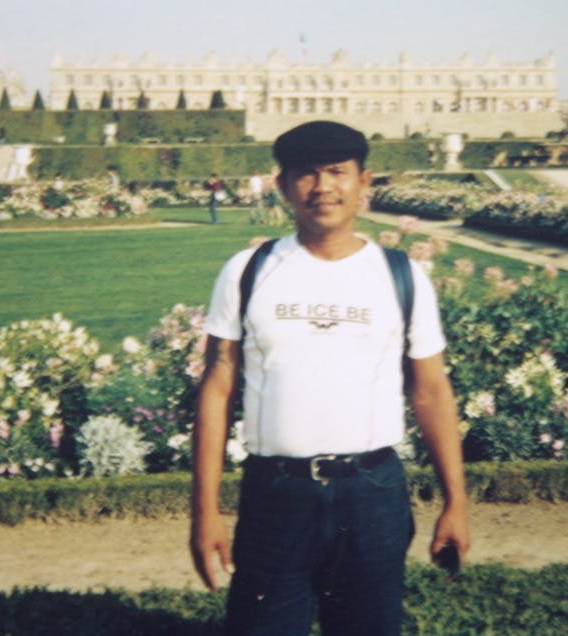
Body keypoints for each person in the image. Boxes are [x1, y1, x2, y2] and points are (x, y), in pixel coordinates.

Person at [190, 120, 470, 635]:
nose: (323, 187)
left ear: (364, 183)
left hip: (371, 493)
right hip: (276, 493)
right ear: (282, 185)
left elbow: (432, 392)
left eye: (338, 172)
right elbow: (217, 387)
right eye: (307, 173)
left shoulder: (402, 275)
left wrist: (456, 501)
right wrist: (204, 511)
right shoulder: (247, 270)